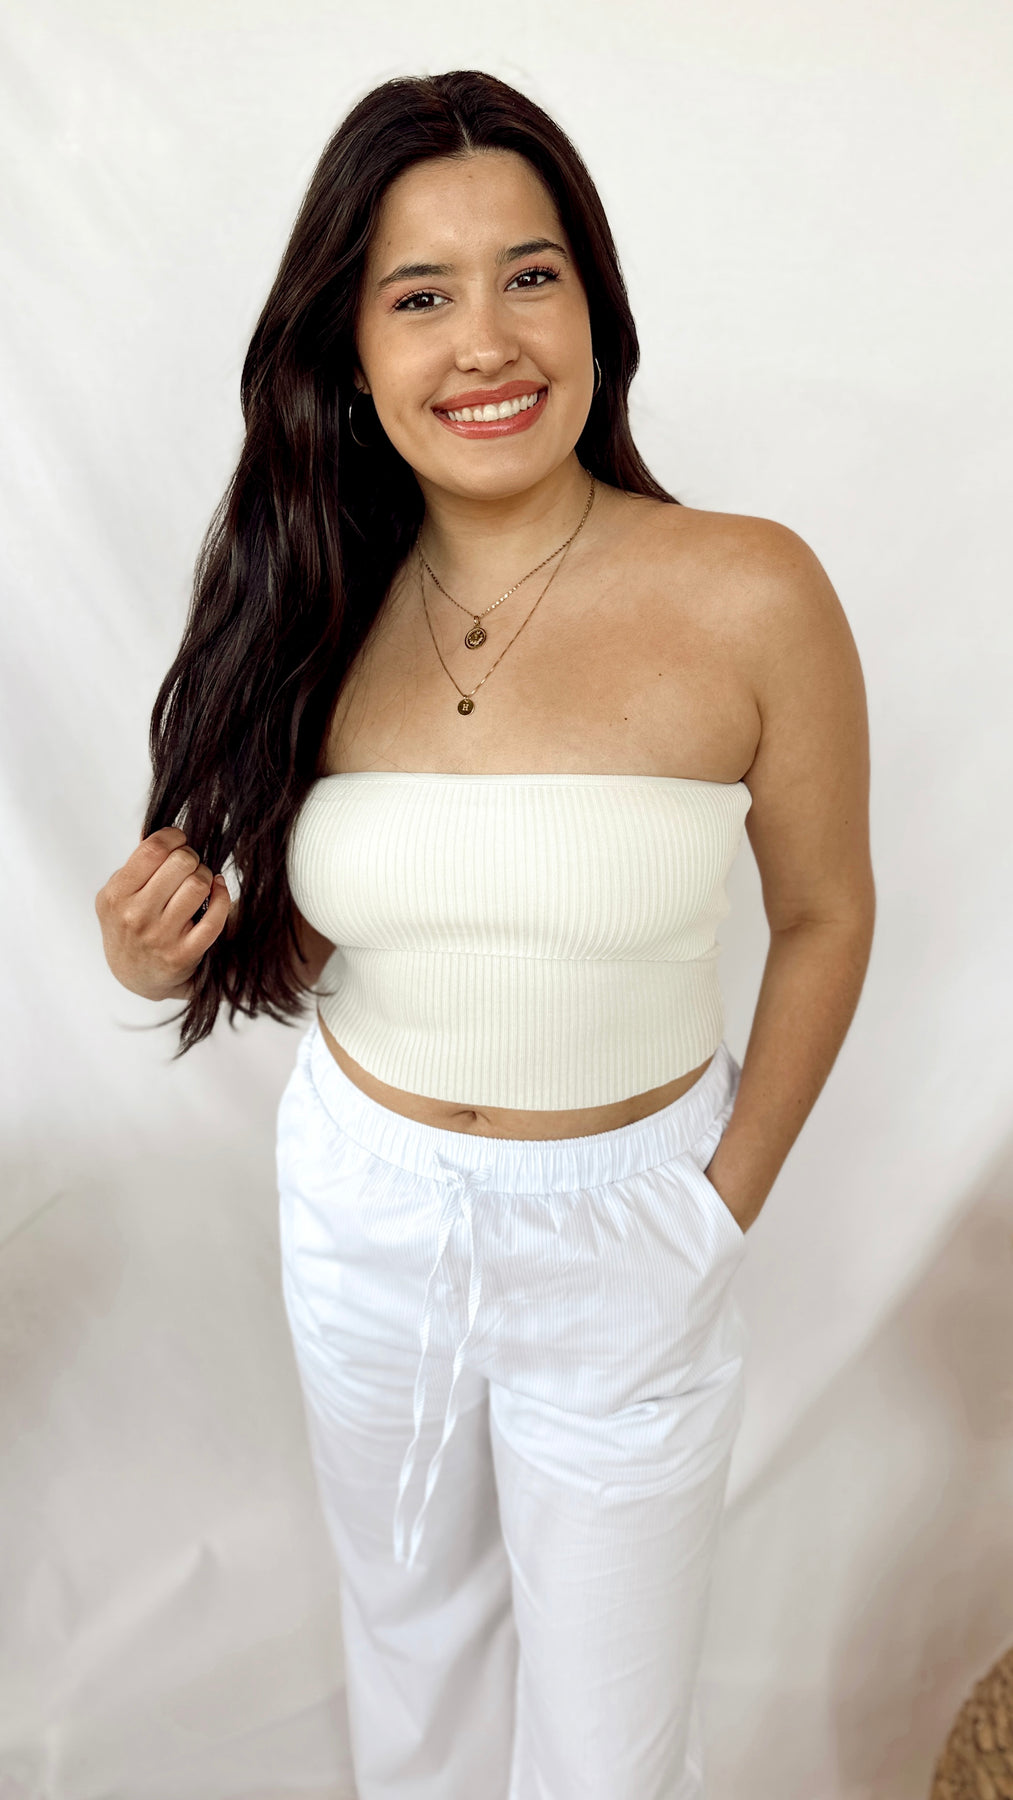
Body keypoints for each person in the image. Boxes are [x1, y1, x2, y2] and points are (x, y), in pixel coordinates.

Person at [94, 68, 875, 1800]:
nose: (485, 342)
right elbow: (317, 939)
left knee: (607, 1753)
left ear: (594, 305)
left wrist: (711, 1210)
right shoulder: (312, 605)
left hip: (630, 1221)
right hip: (363, 1207)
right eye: (419, 296)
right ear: (350, 352)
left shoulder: (749, 588)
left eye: (529, 275)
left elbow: (825, 914)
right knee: (415, 1672)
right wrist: (162, 958)